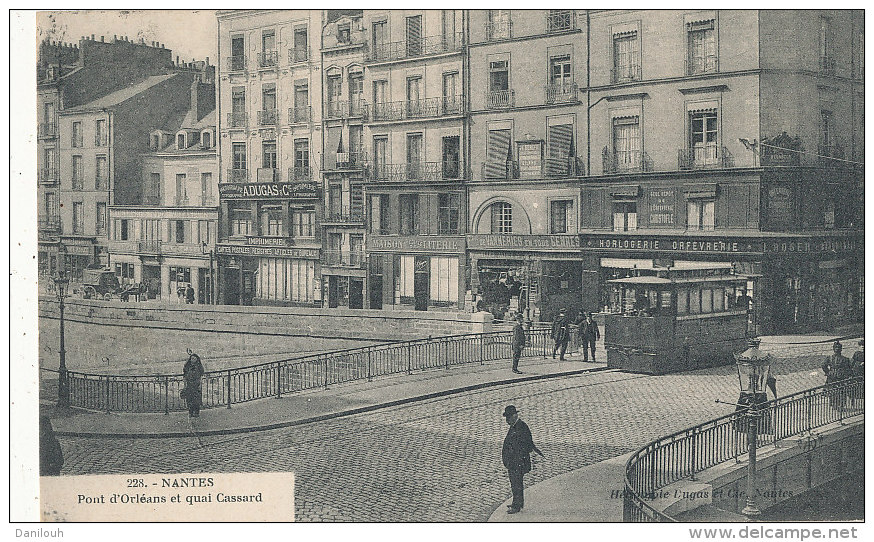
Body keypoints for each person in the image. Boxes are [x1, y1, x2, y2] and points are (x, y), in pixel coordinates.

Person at [501, 405, 544, 514]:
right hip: (513, 462)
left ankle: (517, 506)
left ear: (515, 416)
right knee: (515, 483)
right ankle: (517, 502)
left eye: (509, 417)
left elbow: (527, 445)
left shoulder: (522, 427)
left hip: (518, 462)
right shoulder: (515, 426)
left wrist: (516, 457)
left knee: (517, 483)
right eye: (507, 418)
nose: (507, 420)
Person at [822, 341, 852, 410]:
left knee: (836, 390)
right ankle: (838, 405)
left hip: (833, 375)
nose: (837, 349)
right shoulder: (844, 359)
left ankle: (836, 405)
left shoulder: (831, 358)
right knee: (838, 390)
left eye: (838, 348)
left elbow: (823, 365)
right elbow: (848, 369)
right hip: (839, 376)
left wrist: (828, 372)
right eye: (836, 348)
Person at [182, 353, 206, 418]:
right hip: (189, 384)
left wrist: (200, 384)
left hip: (196, 384)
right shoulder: (187, 366)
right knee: (189, 399)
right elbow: (184, 375)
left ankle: (197, 412)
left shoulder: (199, 366)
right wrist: (185, 382)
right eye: (192, 358)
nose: (193, 360)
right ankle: (190, 412)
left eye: (194, 359)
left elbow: (201, 376)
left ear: (197, 359)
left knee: (196, 400)